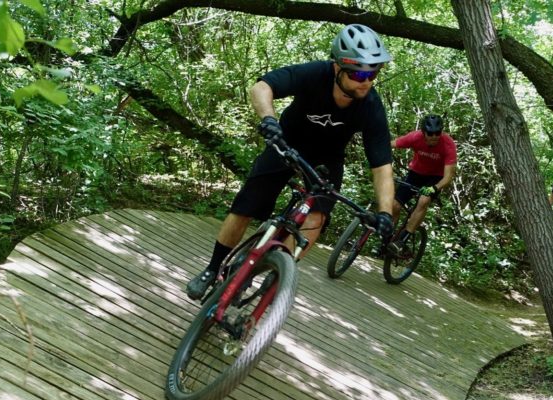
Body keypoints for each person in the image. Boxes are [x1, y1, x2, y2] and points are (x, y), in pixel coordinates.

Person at [186, 24, 396, 300]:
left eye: (373, 74)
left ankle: (271, 272)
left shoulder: (371, 106)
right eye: (359, 73)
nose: (366, 81)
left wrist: (384, 212)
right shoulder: (314, 74)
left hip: (327, 159)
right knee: (247, 205)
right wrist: (269, 120)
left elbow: (381, 165)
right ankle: (212, 269)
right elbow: (262, 87)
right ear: (337, 68)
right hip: (286, 144)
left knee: (317, 218)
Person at [387, 114, 457, 254]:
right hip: (416, 174)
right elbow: (391, 144)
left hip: (436, 178)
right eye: (430, 133)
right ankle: (388, 238)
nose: (434, 136)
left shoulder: (448, 144)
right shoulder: (415, 137)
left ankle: (403, 239)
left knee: (424, 200)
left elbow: (448, 176)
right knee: (395, 206)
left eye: (437, 133)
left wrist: (434, 189)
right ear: (423, 132)